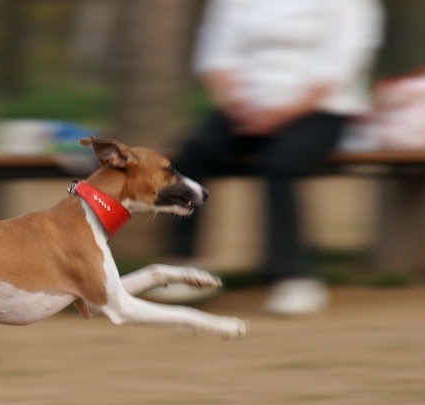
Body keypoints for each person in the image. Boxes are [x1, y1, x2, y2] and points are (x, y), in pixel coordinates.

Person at [153, 0, 384, 315]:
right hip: (245, 107)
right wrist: (238, 105)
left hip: (322, 110)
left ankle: (293, 277)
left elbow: (339, 68)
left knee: (281, 164)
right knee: (197, 152)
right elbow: (215, 58)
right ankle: (183, 266)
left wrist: (280, 114)